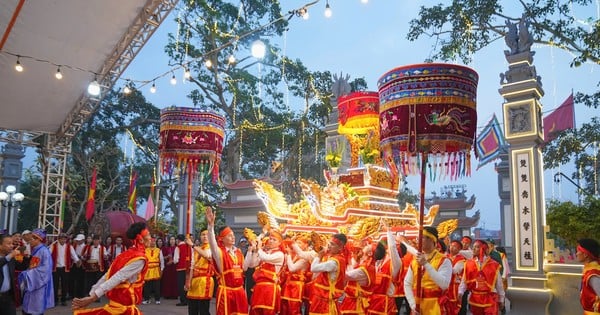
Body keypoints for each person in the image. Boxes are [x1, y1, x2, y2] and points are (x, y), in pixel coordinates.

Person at [72, 222, 151, 314]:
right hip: (123, 309)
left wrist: (92, 295)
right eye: (148, 235)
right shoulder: (139, 259)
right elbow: (117, 277)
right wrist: (93, 297)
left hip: (116, 306)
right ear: (140, 239)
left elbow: (108, 275)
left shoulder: (125, 254)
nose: (151, 238)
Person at [206, 206, 249, 315]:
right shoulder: (219, 253)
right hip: (226, 292)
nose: (233, 238)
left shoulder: (238, 252)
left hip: (239, 291)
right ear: (222, 239)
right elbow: (212, 244)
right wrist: (211, 226)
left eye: (233, 235)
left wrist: (253, 251)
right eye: (229, 236)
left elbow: (245, 267)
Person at [403, 226, 452, 315]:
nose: (418, 240)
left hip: (435, 307)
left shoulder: (444, 260)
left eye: (422, 238)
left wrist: (425, 264)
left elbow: (444, 284)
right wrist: (413, 305)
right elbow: (407, 284)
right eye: (418, 238)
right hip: (418, 307)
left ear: (432, 239)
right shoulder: (415, 260)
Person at [458, 239, 505, 315]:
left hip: (489, 298)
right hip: (475, 298)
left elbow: (499, 284)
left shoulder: (493, 264)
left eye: (476, 247)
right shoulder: (469, 263)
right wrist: (460, 292)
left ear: (483, 249)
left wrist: (501, 299)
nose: (473, 249)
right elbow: (464, 281)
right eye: (473, 246)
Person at [245, 229, 285, 315]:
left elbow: (266, 258)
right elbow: (252, 264)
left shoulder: (279, 254)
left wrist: (259, 248)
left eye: (274, 240)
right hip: (258, 288)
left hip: (269, 289)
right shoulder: (265, 252)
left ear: (279, 243)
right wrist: (255, 251)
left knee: (267, 311)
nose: (271, 241)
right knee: (255, 311)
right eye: (270, 238)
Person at [309, 233, 348, 315]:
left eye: (333, 244)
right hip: (322, 297)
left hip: (325, 299)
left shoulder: (334, 262)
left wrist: (319, 256)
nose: (329, 246)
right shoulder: (336, 258)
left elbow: (313, 268)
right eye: (329, 243)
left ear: (340, 247)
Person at [18, 228, 55, 315]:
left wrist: (28, 274)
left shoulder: (44, 251)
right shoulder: (36, 250)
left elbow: (45, 270)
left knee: (35, 309)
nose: (30, 241)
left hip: (38, 285)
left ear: (39, 239)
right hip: (32, 283)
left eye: (32, 239)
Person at [339, 240, 376, 315]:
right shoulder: (365, 264)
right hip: (352, 301)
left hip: (354, 304)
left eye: (368, 246)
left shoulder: (366, 268)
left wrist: (339, 265)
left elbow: (347, 276)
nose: (366, 245)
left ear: (370, 253)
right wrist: (356, 258)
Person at [185, 230, 214, 315]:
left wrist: (192, 245)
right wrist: (188, 282)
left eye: (207, 235)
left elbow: (206, 255)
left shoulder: (213, 248)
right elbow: (192, 267)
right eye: (203, 235)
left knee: (203, 310)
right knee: (192, 308)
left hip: (205, 281)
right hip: (194, 281)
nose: (205, 236)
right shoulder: (196, 250)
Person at [280, 237, 310, 315]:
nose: (296, 245)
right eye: (296, 243)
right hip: (288, 284)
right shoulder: (294, 255)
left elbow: (292, 268)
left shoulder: (306, 258)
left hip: (296, 286)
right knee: (284, 307)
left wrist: (289, 255)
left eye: (299, 243)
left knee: (293, 308)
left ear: (306, 245)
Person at [49, 232, 80, 306]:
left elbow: (74, 255)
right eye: (61, 239)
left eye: (64, 239)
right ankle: (55, 300)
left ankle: (63, 300)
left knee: (65, 284)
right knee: (55, 285)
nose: (63, 240)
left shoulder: (69, 246)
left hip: (65, 268)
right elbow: (48, 254)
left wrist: (77, 261)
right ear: (58, 239)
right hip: (55, 268)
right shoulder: (53, 246)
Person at [576, 238, 600, 314]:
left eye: (578, 251)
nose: (576, 254)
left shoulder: (592, 274)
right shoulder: (589, 270)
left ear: (585, 254)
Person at [445, 240, 466, 315]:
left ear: (459, 249)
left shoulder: (461, 259)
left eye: (455, 247)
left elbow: (454, 271)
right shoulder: (445, 256)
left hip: (455, 287)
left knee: (453, 308)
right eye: (451, 245)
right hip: (446, 285)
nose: (452, 248)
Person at [0, 233, 19, 315]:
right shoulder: (9, 257)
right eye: (8, 244)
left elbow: (21, 267)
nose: (12, 246)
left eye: (12, 243)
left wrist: (26, 257)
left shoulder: (10, 258)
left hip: (8, 297)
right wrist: (10, 256)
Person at [142, 237, 164, 305]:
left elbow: (162, 260)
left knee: (156, 285)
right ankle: (146, 299)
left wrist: (162, 269)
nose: (152, 243)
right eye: (151, 241)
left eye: (154, 242)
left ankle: (157, 299)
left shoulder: (158, 250)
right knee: (147, 286)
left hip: (156, 270)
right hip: (147, 270)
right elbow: (143, 260)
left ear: (155, 242)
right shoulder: (145, 250)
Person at [174, 234, 191, 306]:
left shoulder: (178, 247)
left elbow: (176, 260)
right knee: (187, 283)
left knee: (181, 285)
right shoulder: (189, 247)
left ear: (178, 240)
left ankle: (183, 300)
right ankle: (188, 299)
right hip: (189, 268)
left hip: (180, 269)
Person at [71, 234, 87, 298]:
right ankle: (73, 294)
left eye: (79, 240)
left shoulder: (86, 247)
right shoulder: (74, 246)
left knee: (81, 280)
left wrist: (80, 257)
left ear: (83, 240)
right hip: (74, 264)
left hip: (82, 265)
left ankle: (81, 294)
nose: (78, 241)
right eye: (77, 240)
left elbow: (86, 257)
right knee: (74, 279)